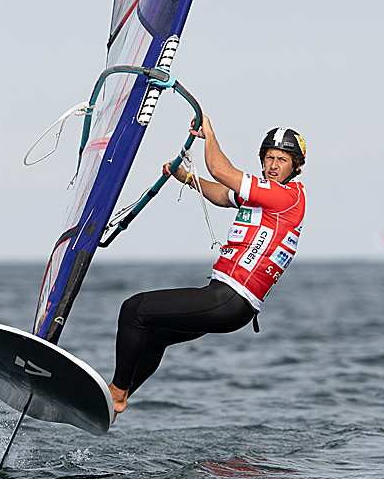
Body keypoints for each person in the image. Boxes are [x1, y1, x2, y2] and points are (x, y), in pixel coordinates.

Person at [108, 116, 307, 421]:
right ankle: (116, 401)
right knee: (155, 334)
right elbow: (222, 195)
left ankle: (117, 392)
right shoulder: (263, 195)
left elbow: (220, 170)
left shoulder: (285, 197)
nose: (273, 165)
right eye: (269, 157)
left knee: (134, 308)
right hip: (225, 301)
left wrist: (209, 135)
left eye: (282, 160)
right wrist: (186, 178)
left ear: (295, 166)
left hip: (229, 300)